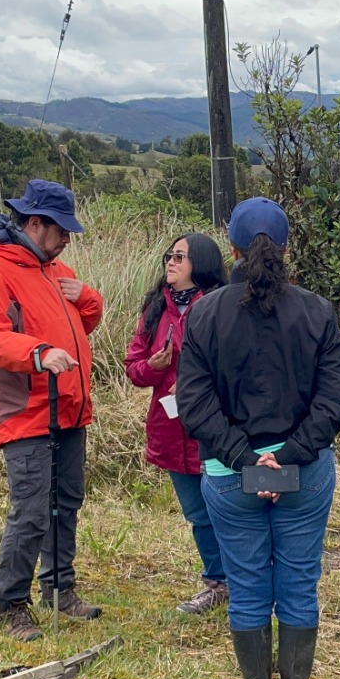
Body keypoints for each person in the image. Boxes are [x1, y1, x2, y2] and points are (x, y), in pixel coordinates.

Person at [176, 197, 340, 679]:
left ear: (229, 248)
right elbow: (336, 397)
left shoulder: (204, 313)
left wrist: (246, 459)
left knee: (249, 587)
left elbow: (194, 402)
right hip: (303, 471)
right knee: (299, 584)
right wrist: (291, 453)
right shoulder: (317, 311)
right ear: (286, 249)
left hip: (233, 477)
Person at [0, 179, 105, 642]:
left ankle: (59, 588)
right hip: (25, 411)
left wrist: (84, 295)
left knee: (67, 503)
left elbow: (86, 319)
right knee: (31, 511)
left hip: (68, 408)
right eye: (61, 229)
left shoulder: (52, 267)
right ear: (36, 222)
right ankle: (11, 605)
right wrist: (38, 353)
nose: (67, 239)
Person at [124, 232, 229, 614]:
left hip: (215, 431)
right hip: (170, 431)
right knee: (199, 515)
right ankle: (217, 583)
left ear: (200, 263)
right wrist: (151, 369)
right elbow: (133, 368)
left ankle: (248, 581)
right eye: (169, 255)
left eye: (180, 257)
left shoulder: (222, 305)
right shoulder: (155, 308)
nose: (171, 261)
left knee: (230, 508)